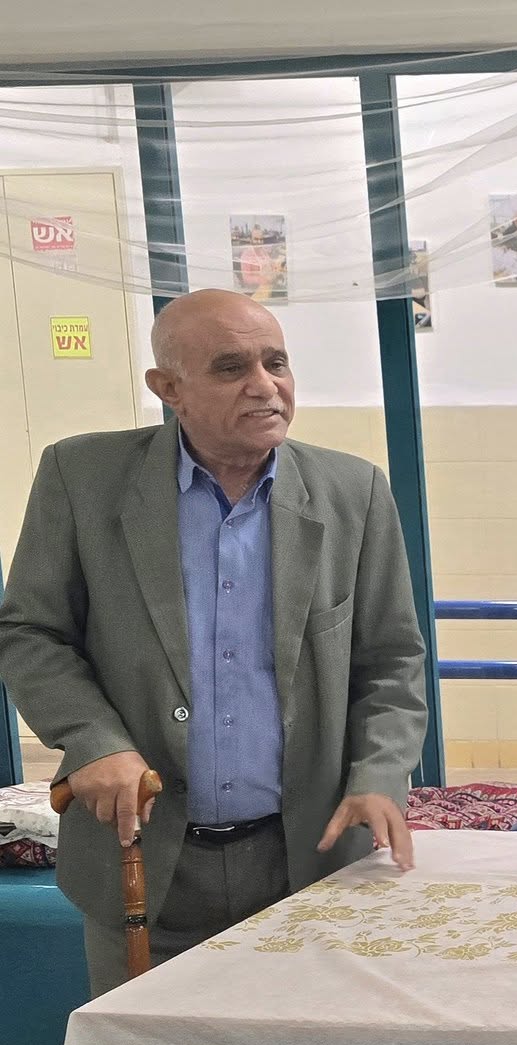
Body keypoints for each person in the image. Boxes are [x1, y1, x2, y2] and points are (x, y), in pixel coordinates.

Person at [0, 289, 428, 995]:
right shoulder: (82, 479)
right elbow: (30, 631)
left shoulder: (353, 491)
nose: (265, 386)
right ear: (168, 389)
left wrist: (380, 773)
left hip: (311, 860)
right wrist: (94, 741)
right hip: (142, 862)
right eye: (232, 368)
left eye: (276, 363)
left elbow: (392, 661)